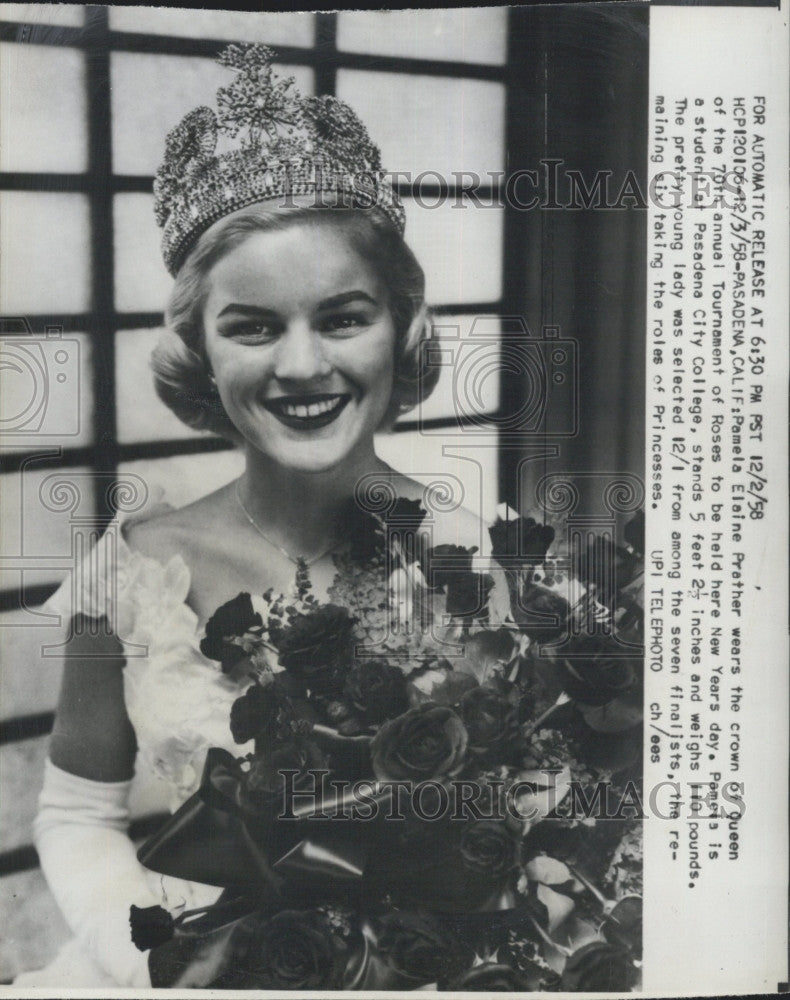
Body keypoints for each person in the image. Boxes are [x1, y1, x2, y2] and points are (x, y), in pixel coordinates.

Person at [16, 43, 496, 987]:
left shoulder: (467, 554)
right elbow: (75, 813)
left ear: (402, 329)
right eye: (254, 326)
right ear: (200, 347)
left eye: (344, 317)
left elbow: (514, 799)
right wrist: (165, 955)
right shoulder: (129, 572)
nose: (303, 365)